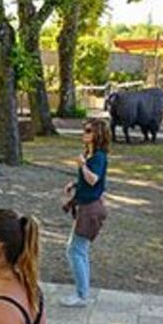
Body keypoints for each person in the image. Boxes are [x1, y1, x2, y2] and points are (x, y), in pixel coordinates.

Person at [60, 118, 108, 307]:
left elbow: (94, 179)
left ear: (97, 135)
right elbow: (91, 182)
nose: (84, 133)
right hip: (87, 207)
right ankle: (83, 292)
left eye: (88, 131)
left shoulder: (98, 157)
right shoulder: (93, 155)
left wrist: (82, 165)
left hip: (90, 209)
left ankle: (81, 295)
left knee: (75, 251)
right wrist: (74, 184)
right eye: (84, 130)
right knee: (79, 250)